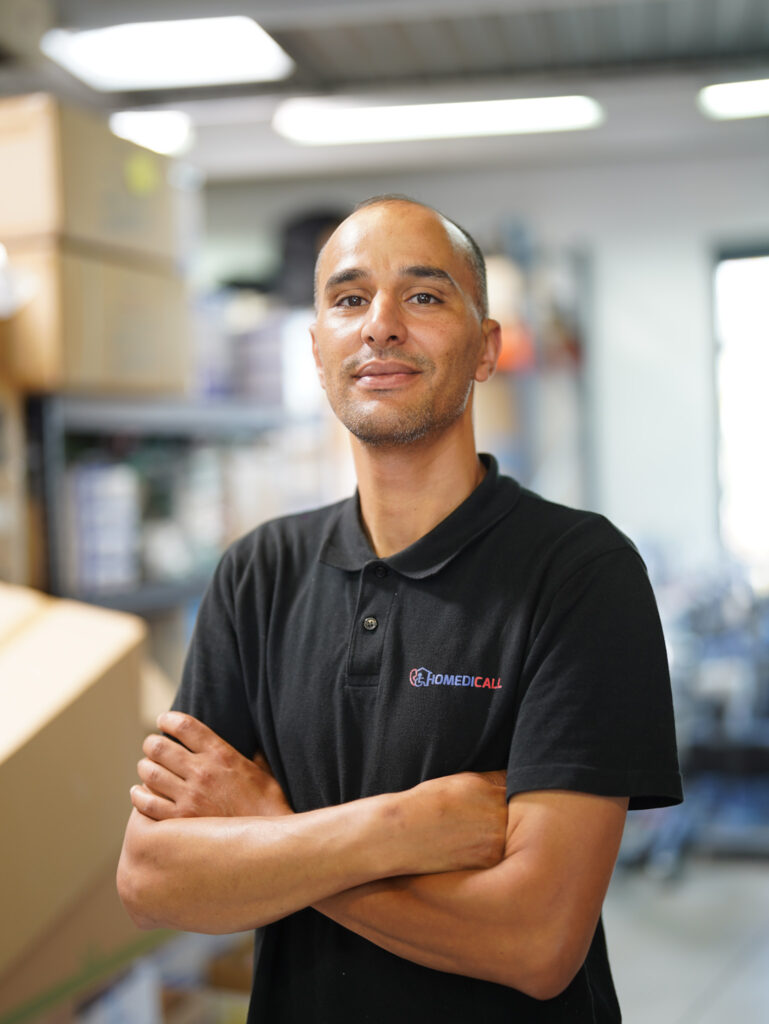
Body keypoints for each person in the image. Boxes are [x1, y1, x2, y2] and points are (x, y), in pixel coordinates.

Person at [117, 195, 682, 1023]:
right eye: (349, 299)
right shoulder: (257, 573)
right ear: (318, 351)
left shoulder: (580, 572)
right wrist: (400, 827)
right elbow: (152, 879)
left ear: (485, 348)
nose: (380, 326)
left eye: (422, 296)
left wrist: (270, 830)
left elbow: (536, 943)